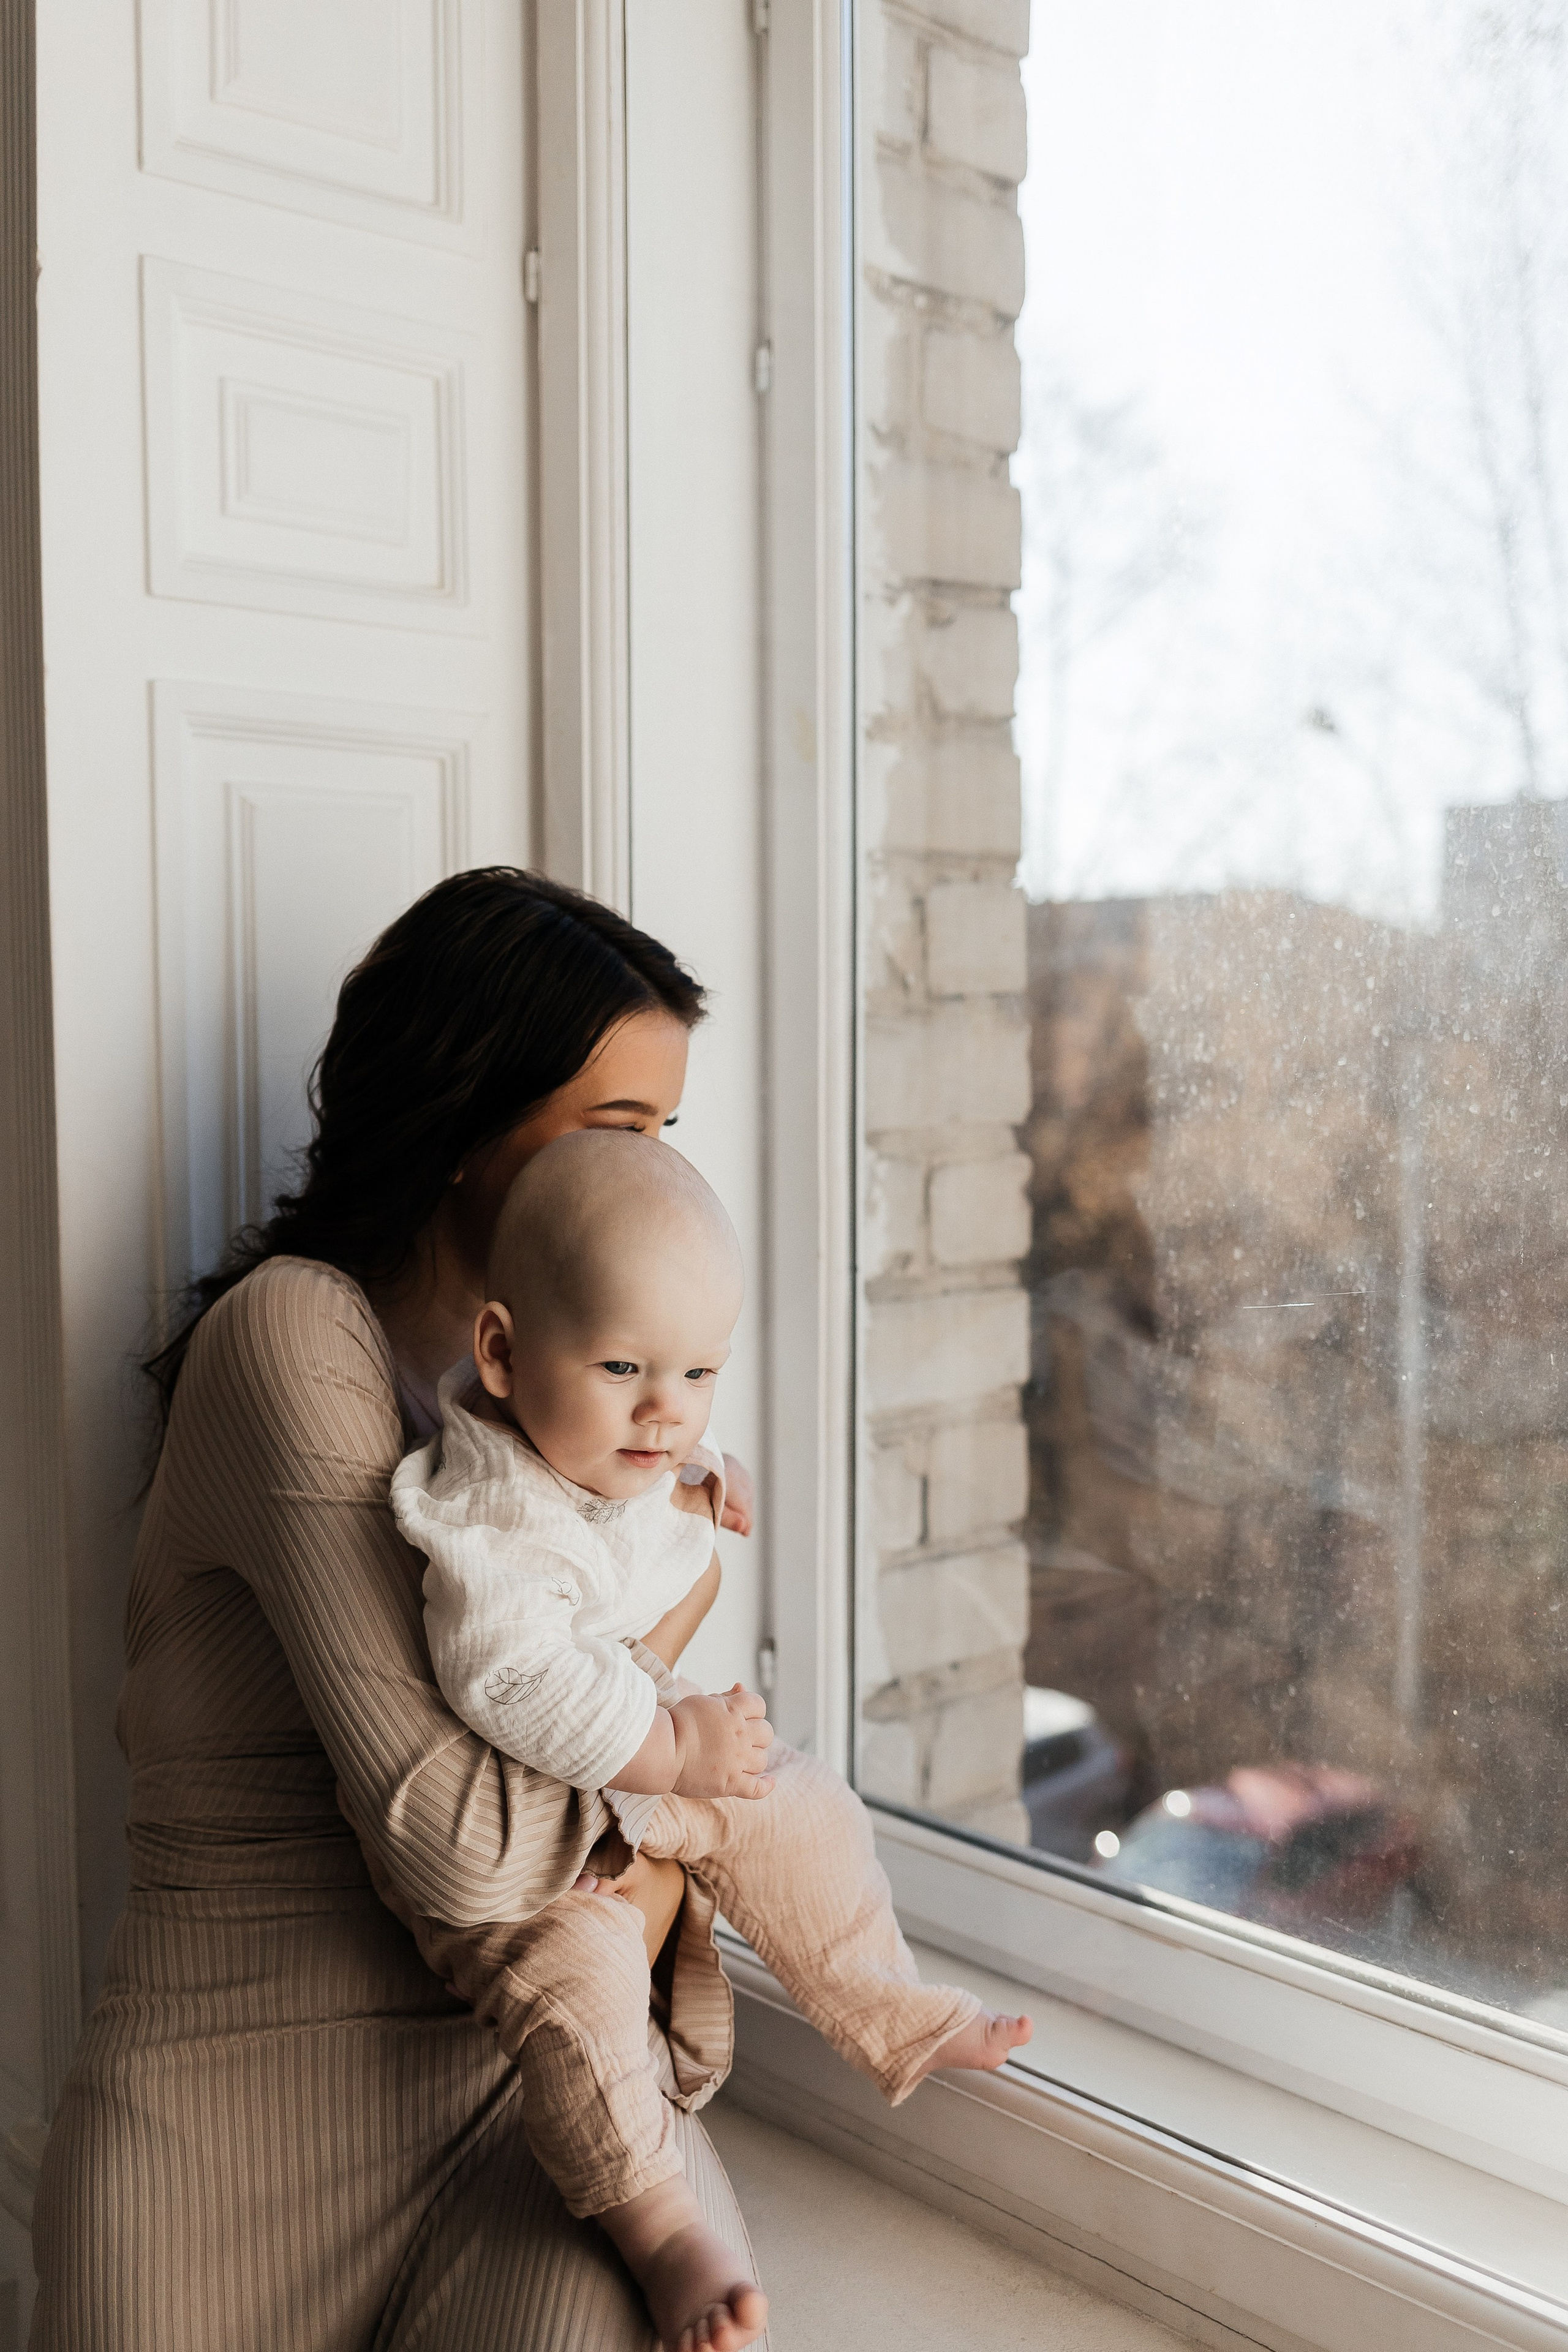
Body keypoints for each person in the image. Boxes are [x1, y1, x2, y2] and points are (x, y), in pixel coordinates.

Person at [28, 870, 761, 2352]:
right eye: (614, 1130)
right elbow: (465, 1847)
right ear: (463, 1121)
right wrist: (667, 1742)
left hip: (527, 2123)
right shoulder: (294, 1335)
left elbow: (582, 1797)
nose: (651, 1182)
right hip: (224, 2144)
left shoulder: (595, 1426)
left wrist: (658, 1738)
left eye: (663, 1137)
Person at [390, 1132, 1031, 2352]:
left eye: (698, 1374)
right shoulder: (490, 1512)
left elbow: (643, 1448)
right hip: (535, 1827)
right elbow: (510, 1676)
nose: (662, 1409)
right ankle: (661, 2232)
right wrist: (673, 1749)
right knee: (578, 2008)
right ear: (500, 1351)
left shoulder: (605, 1425)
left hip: (635, 1758)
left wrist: (700, 1467)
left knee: (809, 1809)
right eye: (627, 1367)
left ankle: (892, 2008)